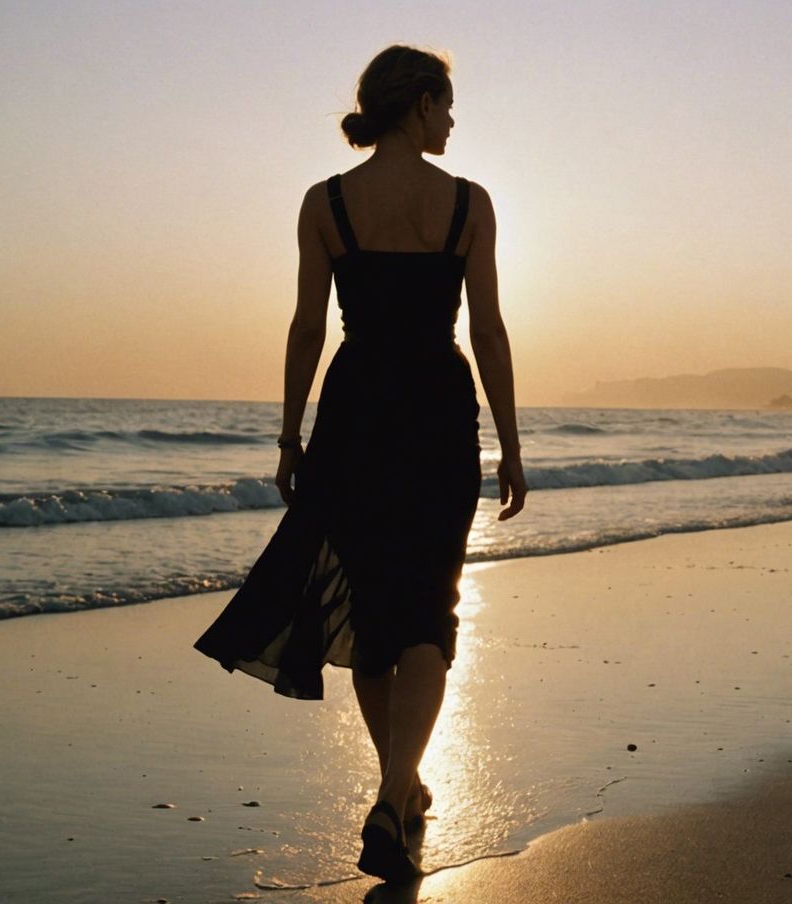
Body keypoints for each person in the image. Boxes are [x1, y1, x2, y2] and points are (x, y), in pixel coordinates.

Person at [192, 44, 526, 884]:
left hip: (355, 413)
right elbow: (487, 329)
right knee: (427, 610)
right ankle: (394, 792)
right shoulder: (469, 204)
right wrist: (512, 443)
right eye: (445, 106)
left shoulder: (327, 203)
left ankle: (397, 789)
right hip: (439, 414)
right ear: (418, 105)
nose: (451, 121)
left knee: (376, 617)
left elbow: (308, 327)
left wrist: (289, 435)